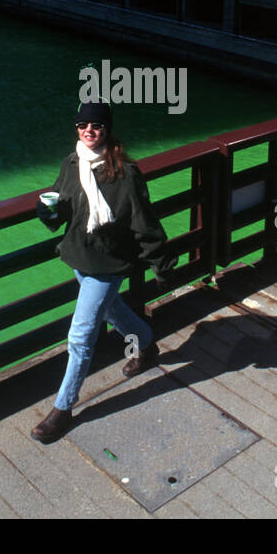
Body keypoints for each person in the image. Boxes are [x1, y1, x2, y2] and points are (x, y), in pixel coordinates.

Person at [31, 101, 175, 443]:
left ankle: (63, 410)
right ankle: (147, 345)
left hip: (108, 264)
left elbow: (145, 223)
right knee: (113, 310)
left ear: (107, 130)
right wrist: (48, 212)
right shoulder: (72, 163)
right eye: (82, 125)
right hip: (80, 257)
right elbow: (64, 202)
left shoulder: (125, 172)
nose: (88, 131)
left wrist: (163, 265)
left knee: (80, 336)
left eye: (96, 126)